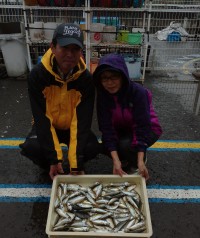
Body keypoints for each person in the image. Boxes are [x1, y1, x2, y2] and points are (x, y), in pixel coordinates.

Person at [19, 23, 100, 180]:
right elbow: (42, 119)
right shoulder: (37, 76)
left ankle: (72, 162)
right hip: (50, 126)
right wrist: (54, 159)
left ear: (81, 51)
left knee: (92, 147)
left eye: (75, 49)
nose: (70, 54)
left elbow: (82, 121)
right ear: (53, 47)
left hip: (71, 126)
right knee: (33, 147)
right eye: (64, 48)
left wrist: (76, 165)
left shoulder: (86, 80)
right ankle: (50, 165)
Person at [93, 53, 162, 180]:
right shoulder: (103, 96)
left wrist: (140, 160)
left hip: (148, 129)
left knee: (126, 145)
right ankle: (123, 159)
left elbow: (142, 126)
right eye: (104, 78)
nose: (109, 83)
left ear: (123, 76)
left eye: (114, 77)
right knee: (105, 145)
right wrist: (115, 160)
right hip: (123, 127)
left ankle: (137, 160)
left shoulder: (138, 93)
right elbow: (106, 129)